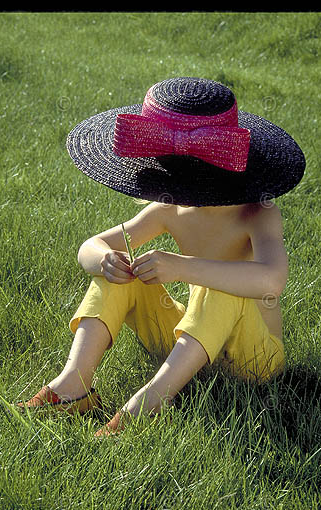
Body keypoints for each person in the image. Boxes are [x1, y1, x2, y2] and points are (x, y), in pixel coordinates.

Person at [17, 77, 305, 437]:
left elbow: (271, 280)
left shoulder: (257, 214)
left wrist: (183, 267)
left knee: (219, 283)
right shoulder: (169, 208)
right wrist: (104, 260)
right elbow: (91, 245)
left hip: (252, 361)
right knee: (119, 267)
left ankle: (150, 403)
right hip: (194, 347)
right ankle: (73, 385)